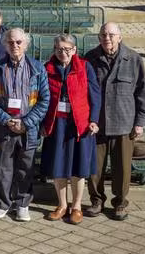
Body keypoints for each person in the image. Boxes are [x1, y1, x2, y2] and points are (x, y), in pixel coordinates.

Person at [84, 23, 145, 221]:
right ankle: (96, 201)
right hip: (98, 124)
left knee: (122, 168)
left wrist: (140, 122)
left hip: (124, 123)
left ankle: (120, 203)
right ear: (99, 37)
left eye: (112, 35)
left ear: (120, 37)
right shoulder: (90, 58)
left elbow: (143, 93)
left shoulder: (133, 58)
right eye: (104, 34)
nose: (108, 38)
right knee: (94, 168)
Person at [0, 28, 50, 222]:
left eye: (19, 42)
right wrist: (6, 119)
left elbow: (44, 100)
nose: (15, 46)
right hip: (4, 126)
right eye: (11, 42)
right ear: (5, 45)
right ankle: (4, 203)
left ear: (26, 44)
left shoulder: (38, 68)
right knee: (4, 168)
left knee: (25, 167)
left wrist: (26, 122)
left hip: (28, 128)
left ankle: (22, 204)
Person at [41, 34, 101, 226]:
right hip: (56, 124)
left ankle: (76, 207)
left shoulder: (85, 67)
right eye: (59, 49)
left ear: (74, 50)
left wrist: (93, 120)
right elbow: (42, 97)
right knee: (58, 168)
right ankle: (62, 205)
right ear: (54, 50)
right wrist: (42, 122)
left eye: (67, 49)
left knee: (78, 168)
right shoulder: (47, 68)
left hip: (79, 125)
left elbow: (95, 96)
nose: (63, 53)